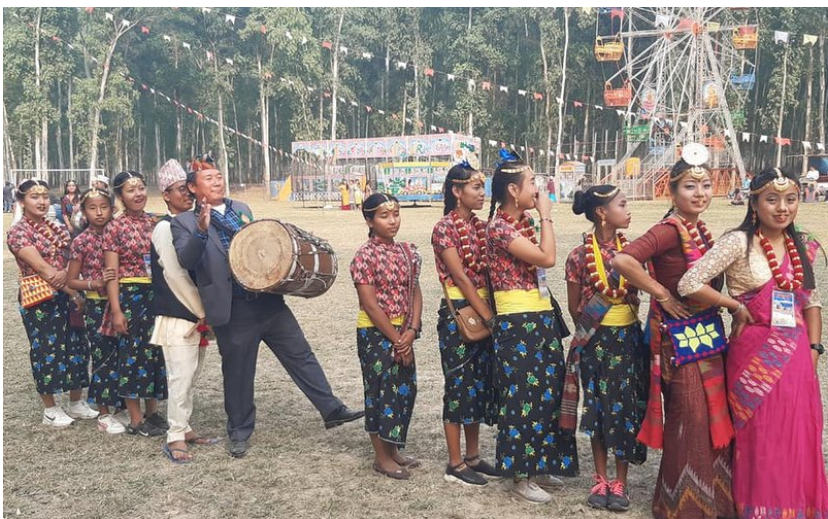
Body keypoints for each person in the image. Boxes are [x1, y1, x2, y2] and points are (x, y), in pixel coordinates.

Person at [171, 165, 363, 458]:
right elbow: (187, 260)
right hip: (233, 309)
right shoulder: (184, 223)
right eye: (208, 179)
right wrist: (201, 230)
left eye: (219, 176)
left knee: (301, 354)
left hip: (268, 301)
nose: (217, 182)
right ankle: (239, 432)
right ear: (194, 188)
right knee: (238, 374)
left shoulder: (241, 209)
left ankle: (331, 408)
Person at [678, 167, 828, 518]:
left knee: (798, 431)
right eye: (772, 200)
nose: (783, 208)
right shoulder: (738, 241)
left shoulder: (803, 243)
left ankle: (797, 507)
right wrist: (733, 306)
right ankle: (758, 508)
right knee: (760, 433)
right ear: (754, 203)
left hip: (798, 356)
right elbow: (689, 283)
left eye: (791, 199)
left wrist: (814, 349)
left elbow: (812, 302)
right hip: (755, 354)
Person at [612, 150, 736, 519]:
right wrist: (662, 294)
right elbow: (623, 260)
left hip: (707, 336)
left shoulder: (698, 229)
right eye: (689, 187)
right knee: (690, 419)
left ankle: (715, 502)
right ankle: (683, 506)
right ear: (672, 191)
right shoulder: (668, 230)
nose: (700, 193)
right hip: (679, 342)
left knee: (711, 416)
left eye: (705, 185)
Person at [486, 148, 578, 504]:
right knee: (522, 397)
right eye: (532, 183)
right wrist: (546, 216)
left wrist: (539, 218)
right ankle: (520, 474)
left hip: (540, 315)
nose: (538, 190)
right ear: (513, 190)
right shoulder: (499, 227)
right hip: (517, 321)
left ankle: (541, 463)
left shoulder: (521, 222)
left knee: (548, 394)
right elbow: (547, 258)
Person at [562, 185, 647, 511]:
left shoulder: (634, 253)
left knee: (623, 408)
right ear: (602, 212)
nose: (628, 210)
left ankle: (620, 481)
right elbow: (574, 308)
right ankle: (600, 478)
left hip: (627, 339)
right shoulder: (578, 256)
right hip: (595, 340)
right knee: (596, 408)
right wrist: (597, 326)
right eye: (622, 205)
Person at [7, 179, 97, 427]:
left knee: (77, 345)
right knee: (46, 350)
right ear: (21, 201)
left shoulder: (57, 227)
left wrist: (68, 276)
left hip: (67, 293)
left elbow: (72, 261)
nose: (41, 202)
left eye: (45, 196)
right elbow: (45, 271)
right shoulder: (18, 233)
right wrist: (73, 291)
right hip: (41, 300)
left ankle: (76, 402)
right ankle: (50, 409)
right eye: (34, 197)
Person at [431, 162, 498, 487]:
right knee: (458, 386)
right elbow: (459, 276)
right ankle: (455, 463)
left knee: (478, 386)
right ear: (457, 191)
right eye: (475, 187)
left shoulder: (481, 227)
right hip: (459, 315)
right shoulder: (444, 228)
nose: (482, 193)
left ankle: (472, 456)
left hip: (483, 311)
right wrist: (488, 315)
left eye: (482, 187)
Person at [350, 193, 422, 480]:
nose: (392, 221)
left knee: (403, 389)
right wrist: (397, 339)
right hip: (376, 333)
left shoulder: (407, 252)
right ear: (369, 221)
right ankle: (381, 458)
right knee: (380, 392)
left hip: (404, 331)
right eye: (384, 215)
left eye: (396, 214)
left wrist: (411, 331)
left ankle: (393, 450)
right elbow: (369, 304)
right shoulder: (364, 256)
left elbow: (414, 291)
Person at [150, 159, 216, 463]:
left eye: (189, 189)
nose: (187, 194)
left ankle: (185, 428)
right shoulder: (165, 227)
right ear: (166, 195)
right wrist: (202, 311)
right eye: (180, 190)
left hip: (196, 315)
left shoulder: (192, 222)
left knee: (191, 376)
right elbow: (174, 275)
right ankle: (175, 437)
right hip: (179, 315)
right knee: (181, 377)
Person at [101, 171, 168, 437]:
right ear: (120, 196)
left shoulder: (155, 222)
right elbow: (112, 274)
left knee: (155, 353)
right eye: (130, 190)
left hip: (157, 294)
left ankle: (152, 412)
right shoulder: (114, 227)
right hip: (130, 296)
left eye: (141, 188)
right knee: (132, 355)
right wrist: (117, 310)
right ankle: (136, 418)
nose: (138, 194)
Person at [66, 187, 125, 433]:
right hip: (97, 306)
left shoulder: (121, 233)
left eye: (104, 207)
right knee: (103, 357)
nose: (99, 213)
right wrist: (95, 283)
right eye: (92, 208)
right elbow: (71, 280)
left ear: (112, 208)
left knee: (123, 354)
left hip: (123, 301)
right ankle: (103, 412)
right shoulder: (81, 241)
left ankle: (121, 406)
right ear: (83, 211)